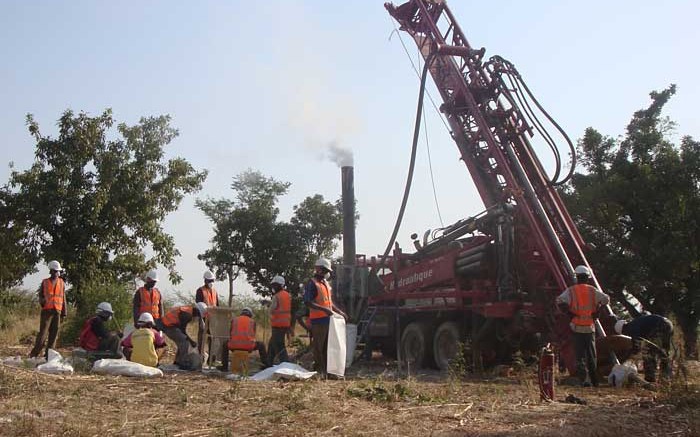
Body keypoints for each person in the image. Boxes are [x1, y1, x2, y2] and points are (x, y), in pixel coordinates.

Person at [556, 265, 610, 387]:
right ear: (587, 277)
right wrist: (598, 310)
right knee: (591, 356)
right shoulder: (592, 290)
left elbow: (559, 301)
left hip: (576, 327)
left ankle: (583, 380)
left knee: (579, 356)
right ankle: (594, 381)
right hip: (589, 328)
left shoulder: (571, 291)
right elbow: (606, 299)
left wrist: (568, 312)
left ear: (577, 277)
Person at [303, 258, 348, 375]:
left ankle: (328, 371)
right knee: (319, 347)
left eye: (326, 270)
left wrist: (339, 312)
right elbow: (308, 301)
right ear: (317, 269)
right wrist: (324, 310)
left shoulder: (325, 284)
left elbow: (329, 302)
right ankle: (319, 371)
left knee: (328, 347)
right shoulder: (312, 283)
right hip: (318, 320)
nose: (324, 272)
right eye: (323, 270)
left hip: (329, 320)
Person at [614, 314, 673, 382]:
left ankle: (650, 378)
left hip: (660, 326)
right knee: (664, 352)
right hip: (668, 324)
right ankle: (666, 377)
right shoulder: (636, 322)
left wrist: (627, 356)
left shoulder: (631, 327)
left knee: (648, 354)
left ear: (623, 329)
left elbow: (636, 345)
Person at [29, 261, 67, 359]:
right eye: (55, 271)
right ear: (51, 271)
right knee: (43, 333)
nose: (57, 273)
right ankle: (34, 354)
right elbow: (40, 295)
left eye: (58, 271)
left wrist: (64, 312)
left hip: (57, 311)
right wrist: (43, 302)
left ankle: (49, 355)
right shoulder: (45, 282)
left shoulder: (62, 283)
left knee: (54, 334)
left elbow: (63, 298)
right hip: (47, 311)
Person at [161, 302, 208, 370]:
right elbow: (183, 330)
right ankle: (183, 363)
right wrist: (191, 341)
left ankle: (177, 361)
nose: (197, 317)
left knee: (182, 342)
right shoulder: (187, 314)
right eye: (198, 315)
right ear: (197, 311)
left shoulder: (188, 311)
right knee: (184, 342)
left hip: (169, 325)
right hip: (168, 326)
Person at [195, 270, 219, 360]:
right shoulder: (200, 291)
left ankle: (211, 358)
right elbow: (199, 305)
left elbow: (217, 305)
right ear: (205, 280)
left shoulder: (215, 291)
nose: (211, 282)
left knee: (212, 337)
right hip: (203, 317)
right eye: (209, 280)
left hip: (214, 318)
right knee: (202, 337)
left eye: (212, 280)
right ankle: (200, 356)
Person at [268, 275, 292, 365]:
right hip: (285, 324)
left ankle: (286, 364)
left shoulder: (276, 296)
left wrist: (268, 306)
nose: (273, 287)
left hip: (277, 325)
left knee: (278, 345)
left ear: (280, 285)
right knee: (272, 344)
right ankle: (268, 363)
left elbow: (272, 309)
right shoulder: (287, 295)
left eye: (275, 285)